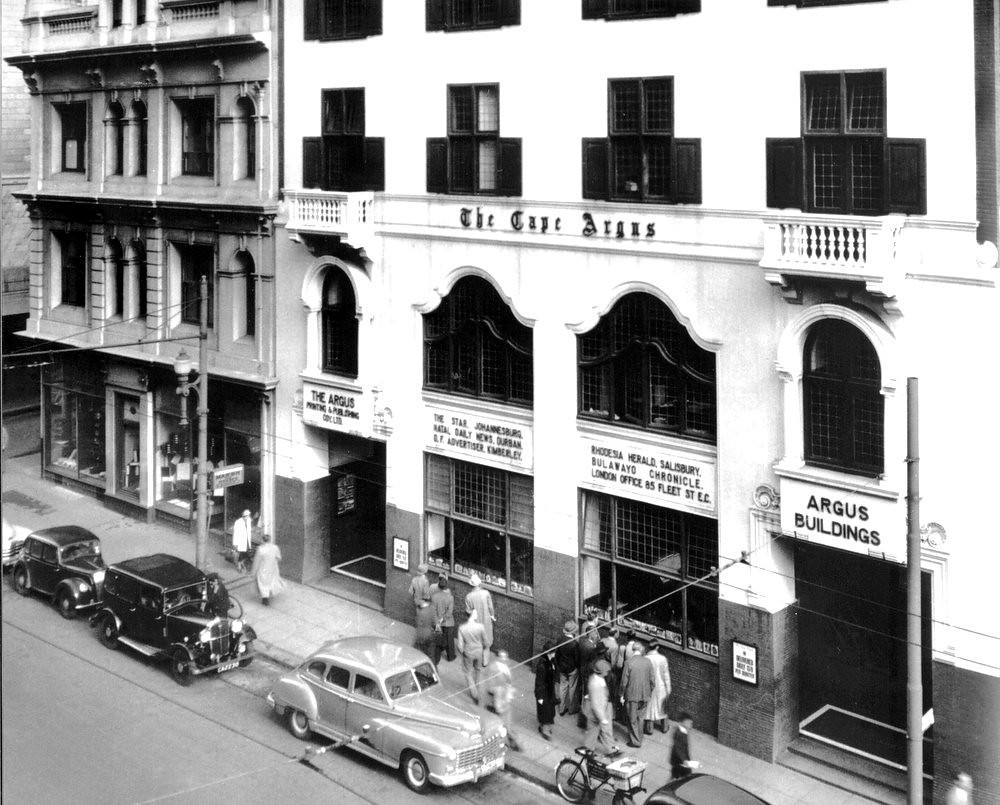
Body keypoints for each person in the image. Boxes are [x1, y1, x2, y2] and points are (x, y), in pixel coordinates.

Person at [619, 640, 656, 747]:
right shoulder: (648, 662)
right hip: (645, 695)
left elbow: (624, 682)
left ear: (632, 650)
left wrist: (621, 694)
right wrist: (649, 692)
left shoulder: (628, 663)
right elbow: (652, 680)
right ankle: (639, 737)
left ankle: (635, 741)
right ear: (640, 650)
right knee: (640, 718)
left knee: (632, 719)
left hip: (632, 696)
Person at [484, 649, 520, 751]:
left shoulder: (495, 667)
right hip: (500, 700)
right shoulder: (501, 669)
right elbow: (504, 684)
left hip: (497, 699)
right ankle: (509, 741)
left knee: (501, 722)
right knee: (503, 723)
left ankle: (508, 739)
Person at [456, 609, 489, 704]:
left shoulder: (462, 628)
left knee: (468, 673)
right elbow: (486, 642)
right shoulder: (480, 627)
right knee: (478, 670)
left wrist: (463, 652)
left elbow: (459, 645)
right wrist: (485, 648)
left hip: (468, 652)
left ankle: (474, 694)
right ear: (473, 615)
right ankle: (477, 687)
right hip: (479, 651)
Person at [586, 659, 618, 754]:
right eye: (606, 671)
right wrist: (602, 718)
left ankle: (589, 748)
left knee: (594, 731)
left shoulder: (597, 678)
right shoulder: (596, 684)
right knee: (604, 730)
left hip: (598, 710)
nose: (607, 673)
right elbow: (596, 703)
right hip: (598, 712)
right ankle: (610, 749)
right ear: (601, 672)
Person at [644, 642, 672, 734]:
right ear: (657, 647)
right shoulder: (663, 658)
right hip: (661, 686)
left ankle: (649, 729)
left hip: (649, 685)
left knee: (649, 706)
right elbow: (666, 675)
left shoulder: (646, 658)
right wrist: (668, 688)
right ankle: (664, 727)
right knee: (662, 706)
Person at [251, 532, 284, 606]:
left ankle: (265, 599)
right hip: (272, 568)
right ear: (270, 540)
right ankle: (269, 594)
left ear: (262, 540)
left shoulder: (261, 549)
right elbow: (279, 558)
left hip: (263, 569)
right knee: (271, 581)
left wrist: (253, 572)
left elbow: (257, 562)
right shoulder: (275, 547)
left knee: (263, 584)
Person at [555, 620, 581, 716]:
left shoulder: (560, 639)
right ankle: (570, 708)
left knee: (562, 687)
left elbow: (557, 655)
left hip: (562, 668)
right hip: (572, 669)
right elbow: (577, 659)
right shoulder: (574, 644)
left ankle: (561, 709)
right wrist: (577, 668)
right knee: (572, 688)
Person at [465, 574, 496, 651]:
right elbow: (490, 607)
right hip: (486, 620)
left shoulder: (468, 596)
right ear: (479, 583)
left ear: (471, 585)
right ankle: (485, 661)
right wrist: (492, 615)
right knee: (486, 639)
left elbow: (468, 611)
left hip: (476, 622)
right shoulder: (486, 593)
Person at [534, 641, 558, 739]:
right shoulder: (542, 665)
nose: (555, 654)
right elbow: (539, 682)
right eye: (553, 652)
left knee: (549, 710)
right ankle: (544, 728)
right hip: (544, 692)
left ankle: (545, 726)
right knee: (545, 711)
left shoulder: (551, 661)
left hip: (549, 691)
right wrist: (540, 696)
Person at [431, 574, 456, 661]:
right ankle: (451, 657)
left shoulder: (434, 597)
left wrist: (438, 620)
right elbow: (449, 612)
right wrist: (443, 618)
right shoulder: (450, 597)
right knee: (449, 641)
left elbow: (433, 611)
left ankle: (436, 659)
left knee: (438, 641)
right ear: (446, 587)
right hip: (447, 622)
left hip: (437, 622)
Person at [670, 712, 697, 780]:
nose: (691, 725)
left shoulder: (683, 731)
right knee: (685, 778)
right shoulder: (680, 733)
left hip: (679, 761)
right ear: (683, 723)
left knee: (676, 777)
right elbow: (678, 748)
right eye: (689, 723)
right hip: (679, 761)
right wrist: (685, 761)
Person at [413, 599, 439, 665]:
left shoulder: (420, 612)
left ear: (423, 601)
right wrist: (437, 634)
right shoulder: (432, 610)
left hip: (421, 634)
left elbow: (418, 623)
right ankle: (432, 670)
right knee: (431, 654)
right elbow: (436, 624)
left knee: (416, 651)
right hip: (430, 634)